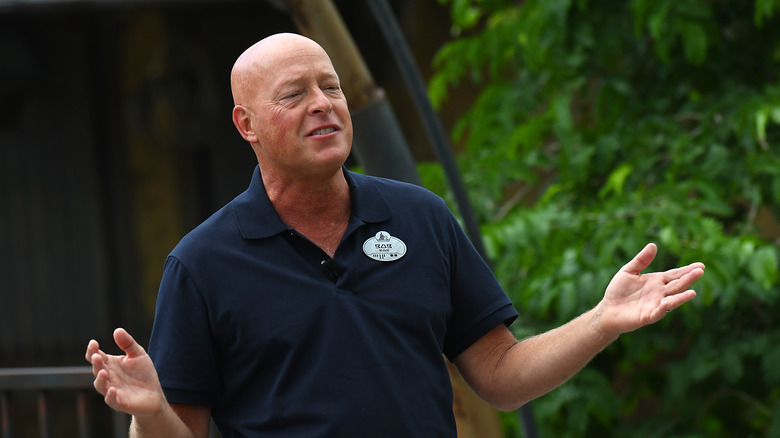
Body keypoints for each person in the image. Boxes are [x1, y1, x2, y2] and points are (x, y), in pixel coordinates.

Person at [86, 33, 705, 437]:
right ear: (245, 124)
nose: (323, 103)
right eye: (294, 95)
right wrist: (150, 414)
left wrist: (601, 320)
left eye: (330, 86)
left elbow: (501, 375)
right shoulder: (202, 263)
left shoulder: (420, 217)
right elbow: (184, 433)